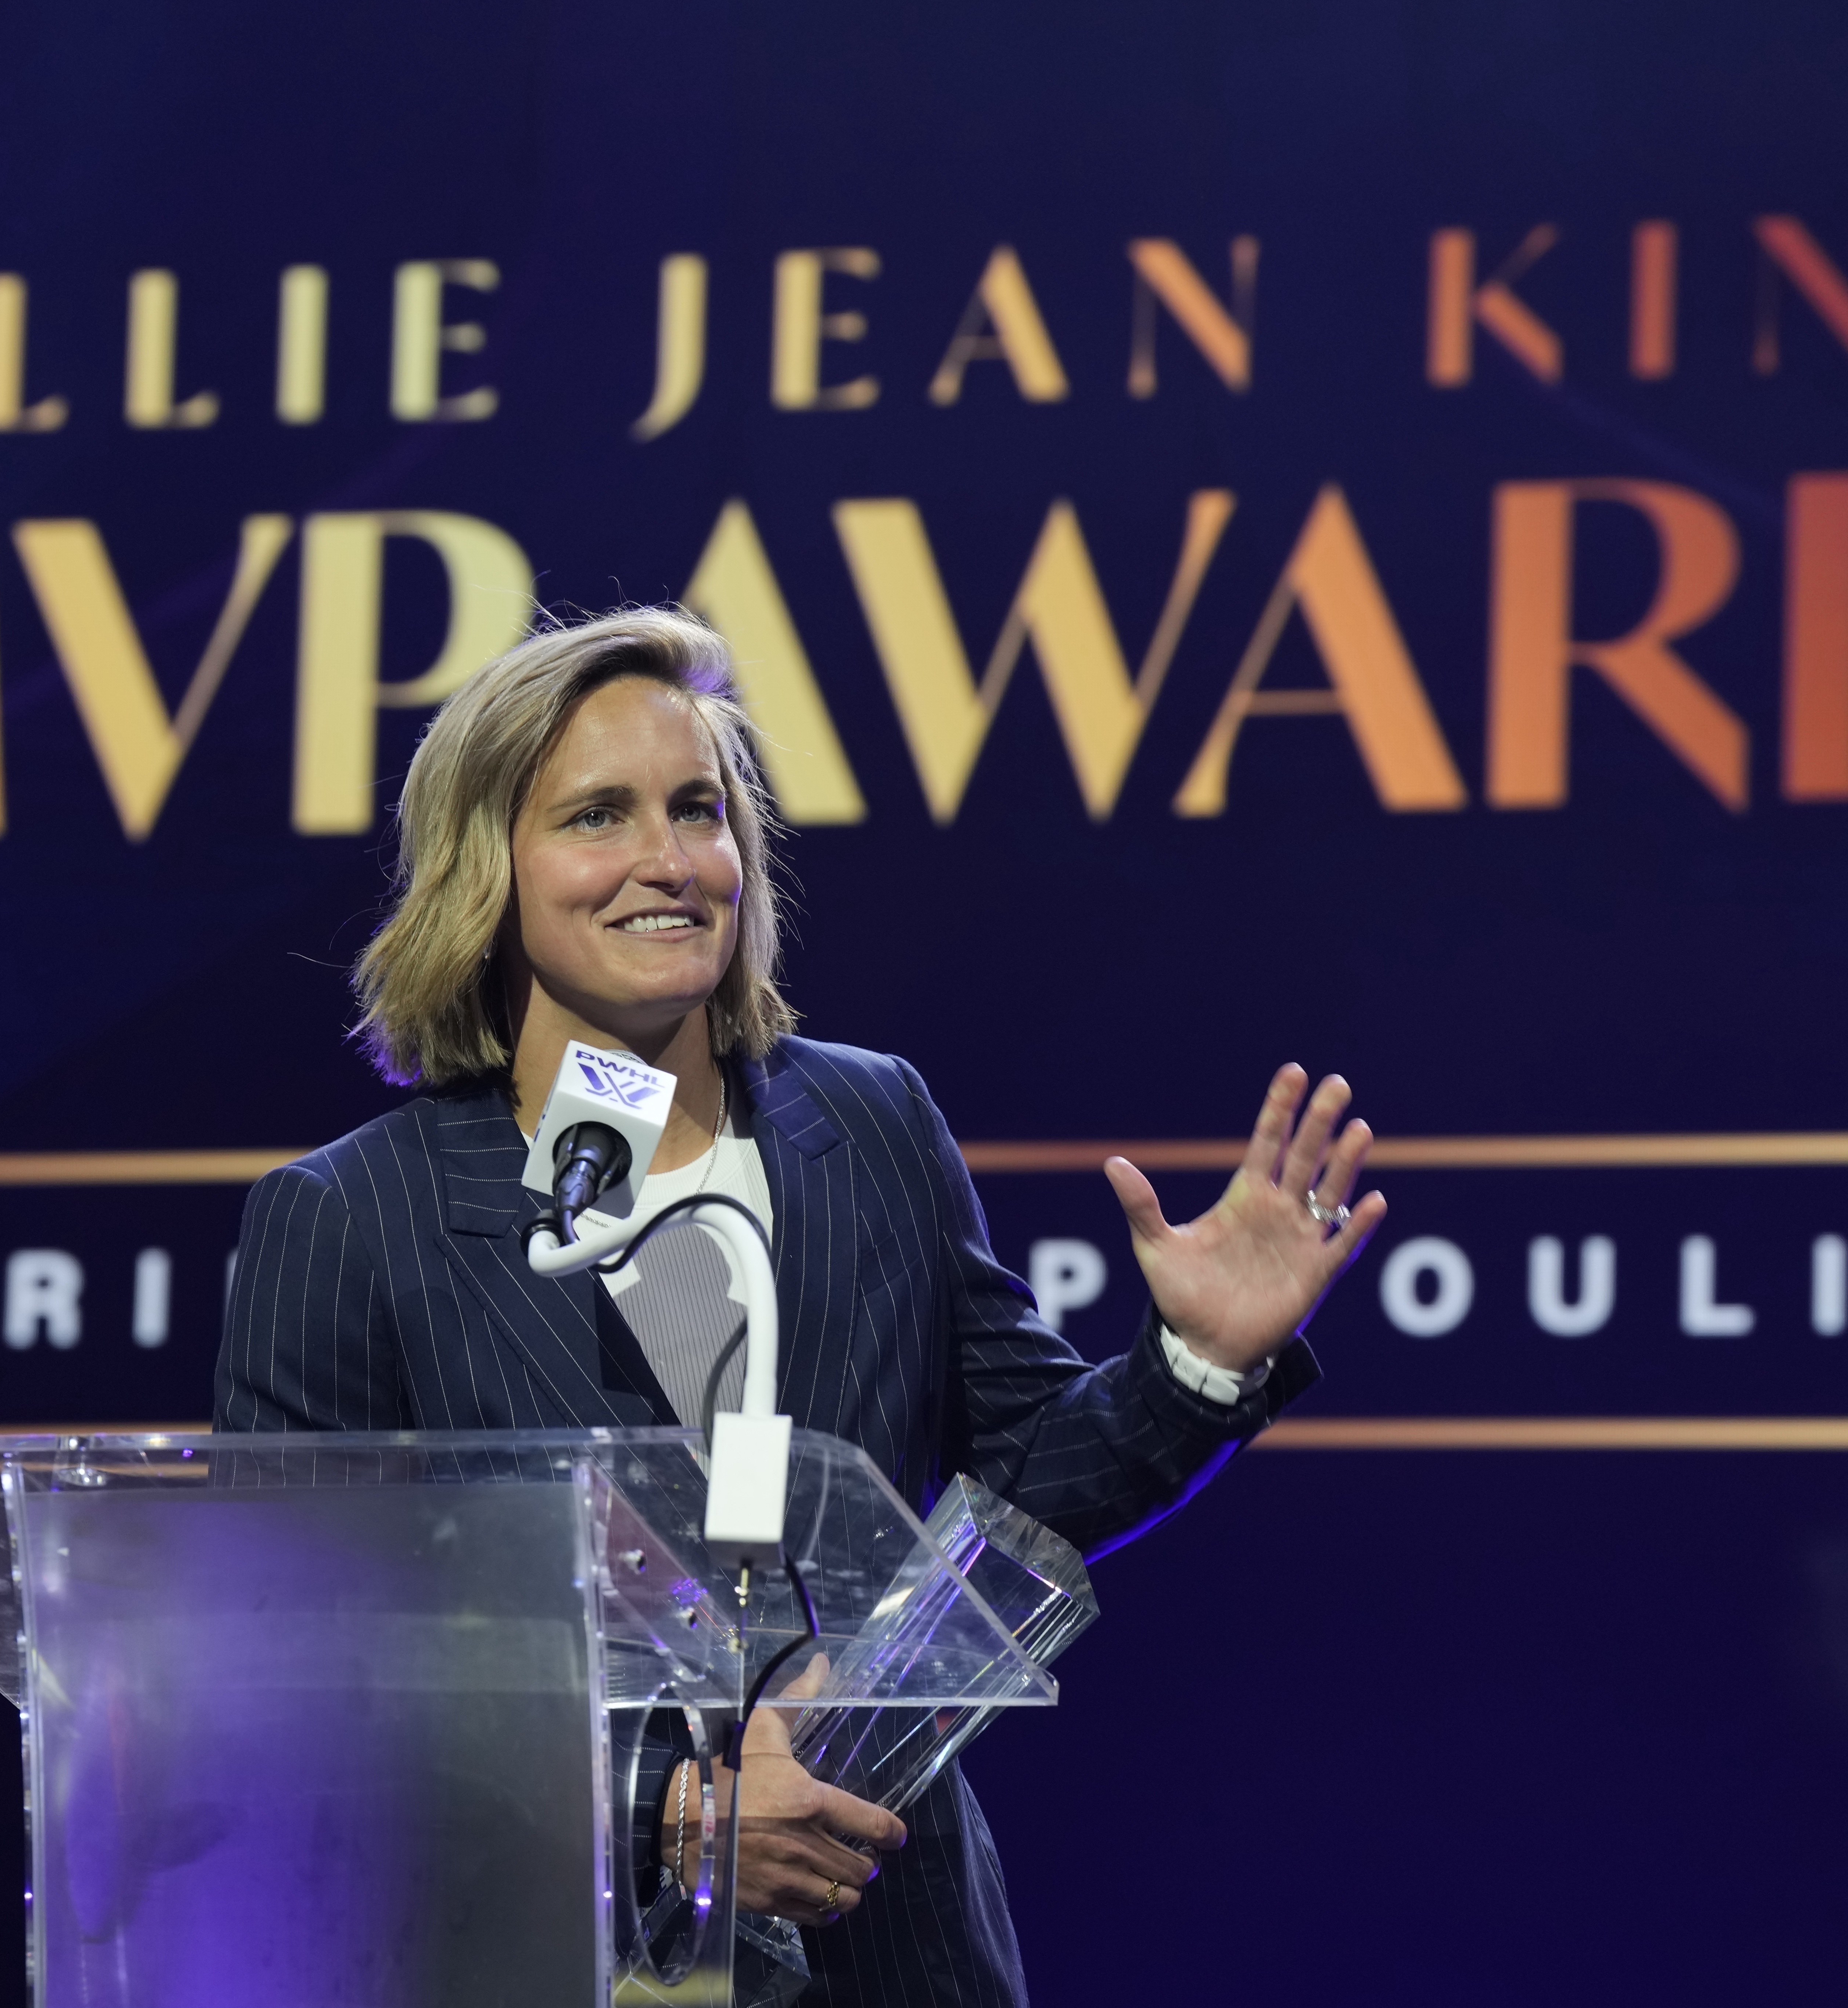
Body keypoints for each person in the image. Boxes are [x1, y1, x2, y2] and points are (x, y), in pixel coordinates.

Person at [214, 608, 1384, 2007]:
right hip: (544, 1959)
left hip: (893, 1950)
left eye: (696, 809)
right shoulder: (350, 1218)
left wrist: (1194, 1360)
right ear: (486, 872)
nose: (666, 860)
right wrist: (672, 1806)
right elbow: (300, 1667)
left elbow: (1018, 1491)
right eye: (599, 815)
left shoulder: (871, 1120)